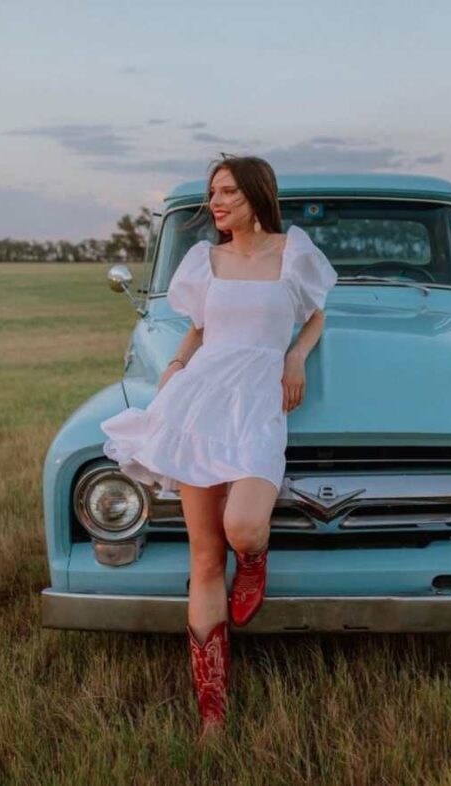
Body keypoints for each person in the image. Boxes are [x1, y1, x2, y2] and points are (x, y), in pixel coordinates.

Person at [100, 154, 338, 742]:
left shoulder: (294, 253)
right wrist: (177, 364)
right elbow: (201, 328)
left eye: (228, 190)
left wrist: (295, 355)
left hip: (258, 401)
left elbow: (314, 317)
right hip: (202, 398)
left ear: (258, 193)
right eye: (213, 192)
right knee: (204, 560)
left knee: (244, 527)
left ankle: (254, 559)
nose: (217, 201)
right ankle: (212, 713)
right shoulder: (204, 260)